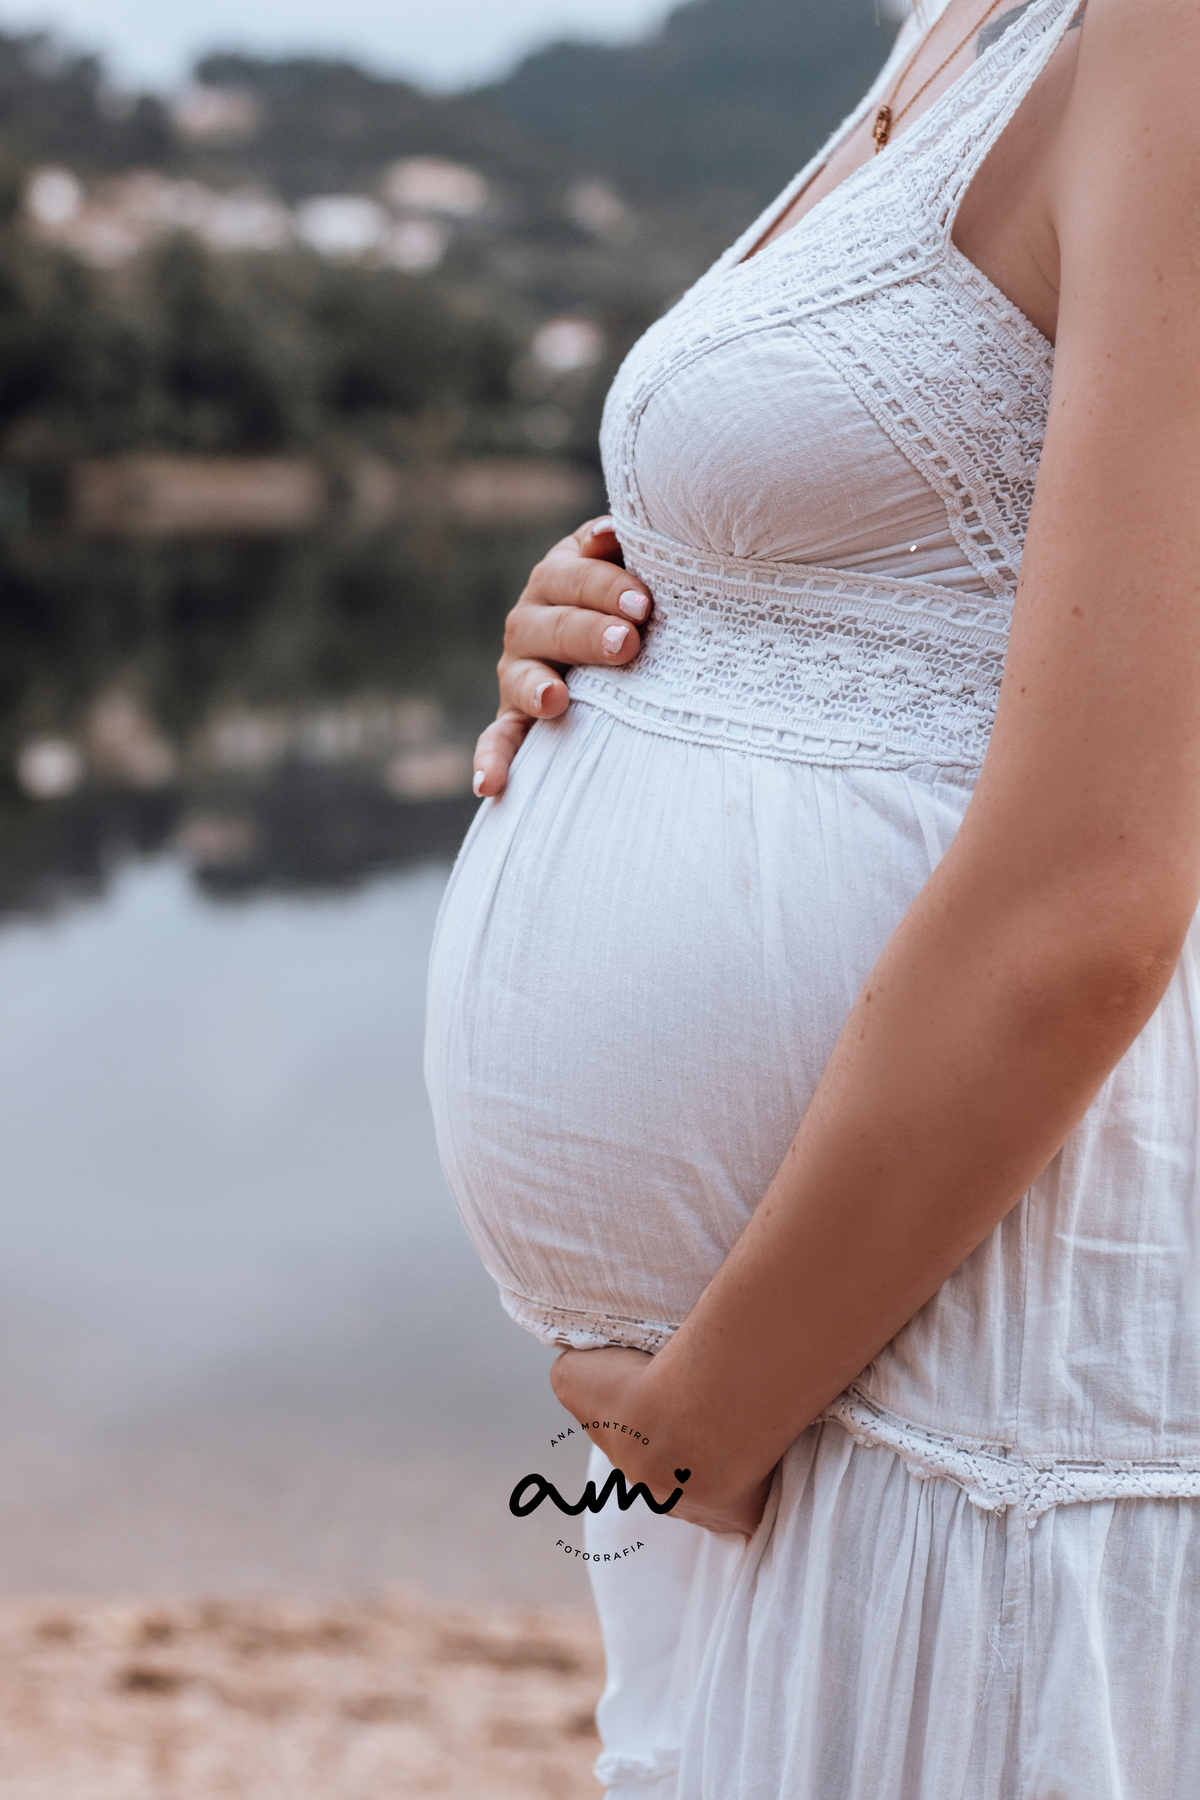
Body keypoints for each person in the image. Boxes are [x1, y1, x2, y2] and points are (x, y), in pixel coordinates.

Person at [425, 0, 1200, 1792]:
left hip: (945, 1368)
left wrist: (705, 1423)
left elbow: (1100, 883)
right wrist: (640, 618)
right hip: (803, 1389)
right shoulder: (963, 22)